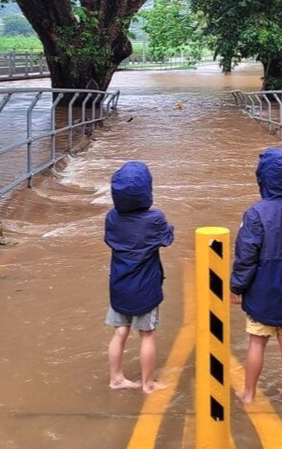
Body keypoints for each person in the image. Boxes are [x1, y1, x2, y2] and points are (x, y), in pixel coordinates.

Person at [231, 148, 282, 404]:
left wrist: (237, 287)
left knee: (257, 341)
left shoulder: (256, 213)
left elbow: (246, 255)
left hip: (261, 290)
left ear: (263, 178)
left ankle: (248, 394)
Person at [104, 161, 175, 394]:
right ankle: (148, 384)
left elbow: (111, 240)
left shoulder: (112, 218)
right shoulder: (154, 219)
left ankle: (116, 378)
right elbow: (167, 238)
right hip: (146, 287)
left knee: (120, 331)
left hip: (119, 285)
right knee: (147, 335)